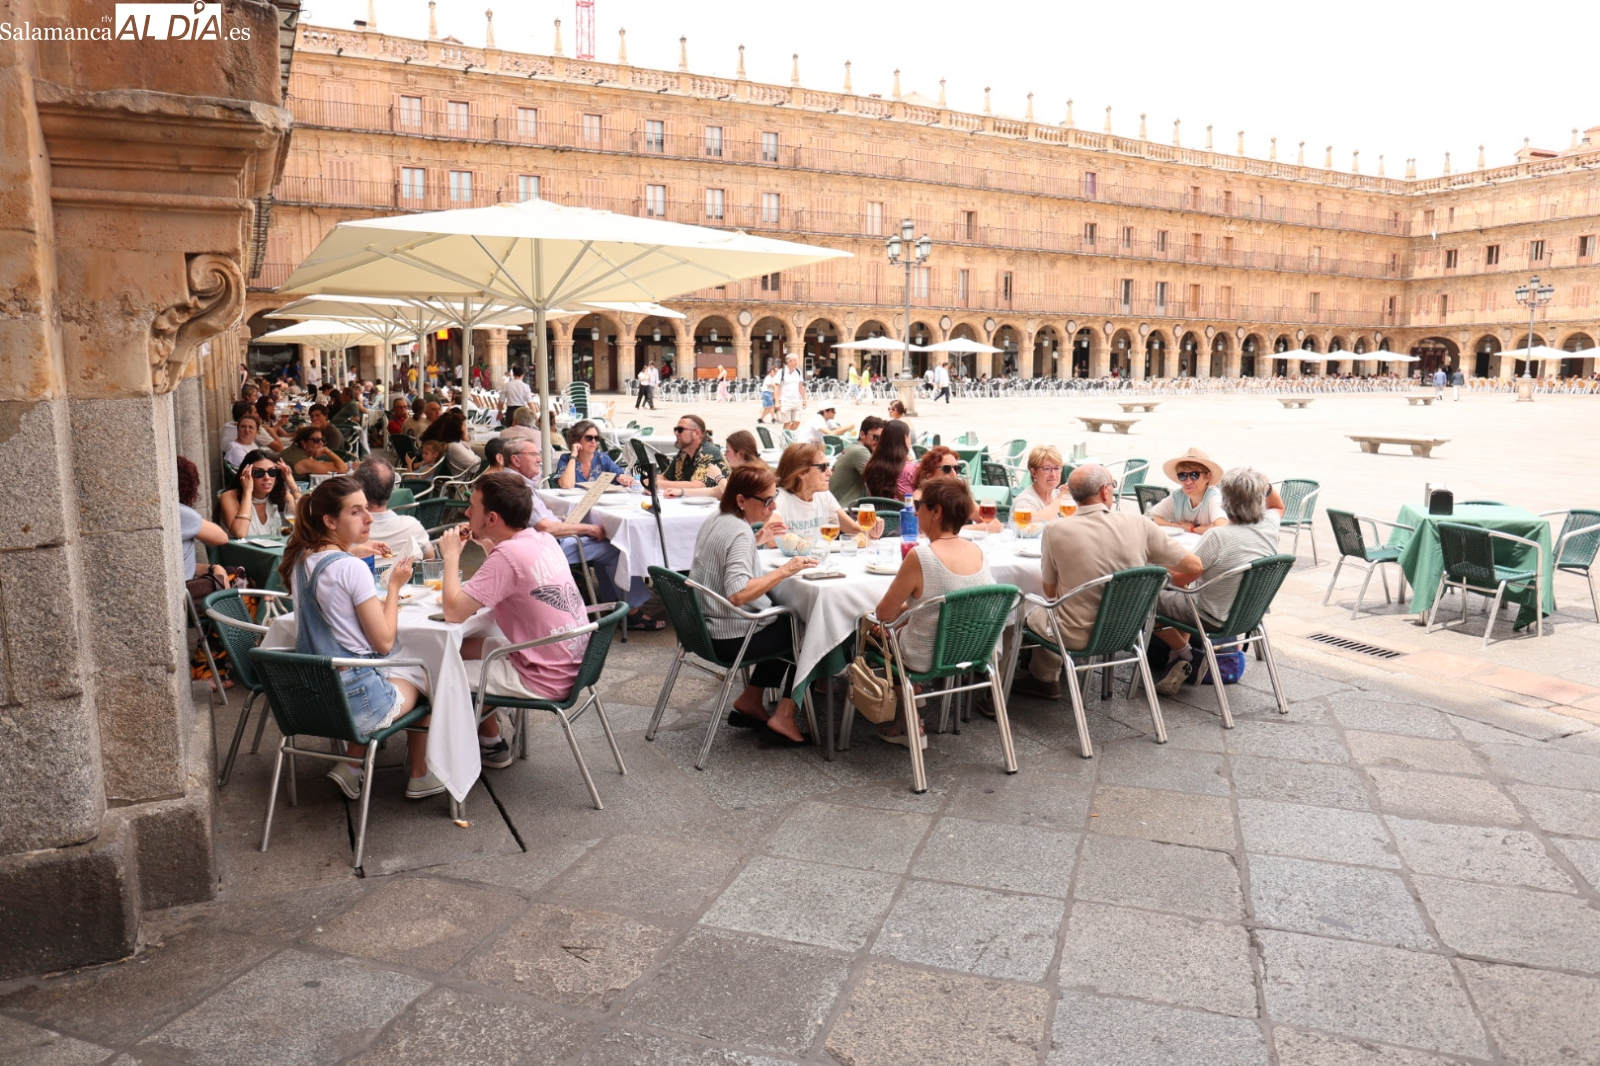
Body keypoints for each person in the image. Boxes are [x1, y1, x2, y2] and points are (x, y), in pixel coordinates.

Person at [278, 477, 437, 799]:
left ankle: (352, 766)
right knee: (428, 676)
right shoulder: (351, 569)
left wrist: (355, 549)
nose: (368, 518)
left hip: (310, 697)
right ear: (329, 521)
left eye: (367, 509)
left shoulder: (301, 560)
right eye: (356, 512)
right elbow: (384, 642)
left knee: (397, 669)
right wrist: (393, 586)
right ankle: (420, 775)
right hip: (355, 699)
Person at [438, 471, 591, 769]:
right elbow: (511, 569)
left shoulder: (507, 557)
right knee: (458, 648)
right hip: (571, 661)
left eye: (473, 507)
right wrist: (484, 543)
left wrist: (451, 556)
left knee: (438, 669)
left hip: (543, 675)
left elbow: (454, 612)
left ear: (492, 518)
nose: (467, 512)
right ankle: (489, 739)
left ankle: (442, 763)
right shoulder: (541, 539)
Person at [1012, 465, 1203, 701]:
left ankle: (1038, 680)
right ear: (1104, 492)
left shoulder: (1055, 530)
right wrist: (1158, 583)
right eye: (1112, 487)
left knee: (1028, 608)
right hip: (1129, 629)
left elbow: (1050, 592)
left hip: (1075, 634)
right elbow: (1195, 567)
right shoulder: (1139, 524)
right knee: (1051, 610)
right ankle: (1044, 675)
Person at [688, 464, 817, 745]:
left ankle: (751, 698)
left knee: (785, 620)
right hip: (727, 636)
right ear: (741, 500)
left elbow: (723, 563)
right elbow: (737, 594)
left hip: (701, 628)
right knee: (807, 627)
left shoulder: (717, 518)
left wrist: (758, 539)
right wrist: (787, 569)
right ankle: (784, 715)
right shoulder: (738, 531)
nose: (772, 507)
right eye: (767, 500)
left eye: (774, 499)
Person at [871, 477, 994, 747]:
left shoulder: (921, 556)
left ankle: (908, 715)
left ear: (936, 511)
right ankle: (909, 713)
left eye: (920, 505)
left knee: (871, 629)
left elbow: (883, 613)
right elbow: (942, 602)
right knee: (899, 629)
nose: (915, 511)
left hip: (924, 654)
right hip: (973, 650)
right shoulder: (978, 551)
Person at [503, 439, 663, 630]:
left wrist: (563, 520)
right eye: (534, 455)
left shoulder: (510, 480)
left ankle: (612, 605)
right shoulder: (520, 487)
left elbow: (539, 520)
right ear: (516, 460)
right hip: (546, 547)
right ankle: (632, 612)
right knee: (616, 547)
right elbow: (545, 527)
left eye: (539, 454)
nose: (539, 459)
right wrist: (588, 528)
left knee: (606, 545)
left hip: (531, 542)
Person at [1151, 467, 1283, 693]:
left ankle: (1187, 654)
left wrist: (1156, 568)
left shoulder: (1218, 536)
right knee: (1180, 598)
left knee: (1147, 597)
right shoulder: (1270, 526)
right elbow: (1278, 506)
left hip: (1211, 616)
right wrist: (1266, 486)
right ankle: (1176, 658)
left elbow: (1182, 579)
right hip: (1249, 614)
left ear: (1225, 500)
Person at [773, 444, 883, 542]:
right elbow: (771, 539)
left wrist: (870, 532)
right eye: (822, 467)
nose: (829, 472)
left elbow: (853, 529)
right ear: (801, 473)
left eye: (828, 466)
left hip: (819, 561)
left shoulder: (823, 495)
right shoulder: (780, 499)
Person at [353, 458, 431, 560]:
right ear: (392, 489)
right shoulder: (412, 526)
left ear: (358, 489)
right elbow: (430, 559)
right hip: (403, 575)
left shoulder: (345, 530)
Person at [911, 447, 1002, 532]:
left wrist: (961, 529)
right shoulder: (921, 495)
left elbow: (995, 524)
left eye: (957, 468)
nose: (954, 473)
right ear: (929, 474)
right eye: (947, 469)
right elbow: (922, 527)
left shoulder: (957, 496)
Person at [219, 450, 301, 538]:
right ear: (245, 475)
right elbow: (240, 533)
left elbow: (307, 525)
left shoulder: (281, 495)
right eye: (259, 473)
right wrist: (247, 492)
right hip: (242, 551)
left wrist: (292, 484)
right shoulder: (229, 497)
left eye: (272, 472)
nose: (267, 477)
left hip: (275, 550)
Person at [664, 430, 763, 500]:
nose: (725, 454)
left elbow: (733, 498)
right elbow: (716, 491)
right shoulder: (741, 470)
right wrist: (682, 491)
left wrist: (718, 477)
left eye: (728, 450)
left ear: (740, 453)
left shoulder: (752, 474)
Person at [1149, 447, 1228, 534]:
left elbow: (1222, 528)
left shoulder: (1214, 497)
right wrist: (1175, 526)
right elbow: (1153, 517)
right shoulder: (1177, 496)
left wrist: (1193, 528)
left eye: (1195, 475)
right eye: (1182, 475)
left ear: (1207, 477)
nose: (1188, 481)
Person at [176, 456, 231, 581]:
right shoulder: (180, 513)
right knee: (242, 577)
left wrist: (210, 568)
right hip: (188, 592)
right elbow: (221, 538)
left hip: (182, 582)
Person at [657, 414, 728, 490]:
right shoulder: (684, 453)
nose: (676, 433)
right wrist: (647, 480)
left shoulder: (709, 452)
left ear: (697, 433)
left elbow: (697, 486)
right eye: (676, 429)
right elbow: (665, 477)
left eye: (680, 430)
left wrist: (655, 484)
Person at [557, 420, 635, 488]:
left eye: (596, 438)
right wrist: (573, 456)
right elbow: (566, 485)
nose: (593, 441)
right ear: (577, 440)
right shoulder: (566, 459)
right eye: (589, 438)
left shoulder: (602, 458)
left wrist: (626, 479)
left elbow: (621, 476)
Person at [828, 416, 885, 508]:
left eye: (882, 439)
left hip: (840, 507)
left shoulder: (854, 447)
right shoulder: (860, 451)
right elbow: (879, 482)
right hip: (845, 510)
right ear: (862, 434)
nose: (879, 442)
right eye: (876, 437)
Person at [862, 418, 917, 501]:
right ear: (905, 438)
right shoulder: (912, 469)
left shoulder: (870, 465)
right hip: (902, 513)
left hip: (878, 512)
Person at [1012, 445, 1073, 519]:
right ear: (1034, 473)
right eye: (1047, 469)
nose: (1053, 474)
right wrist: (1061, 499)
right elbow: (1031, 523)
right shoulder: (1025, 501)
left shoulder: (1057, 494)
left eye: (1057, 468)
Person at [420, 409, 478, 477]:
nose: (465, 426)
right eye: (464, 425)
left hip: (457, 478)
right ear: (458, 429)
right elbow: (475, 466)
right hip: (462, 482)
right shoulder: (454, 446)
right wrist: (479, 458)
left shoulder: (452, 443)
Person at [281, 424, 350, 479]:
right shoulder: (305, 462)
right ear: (304, 443)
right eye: (316, 440)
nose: (321, 444)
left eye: (322, 439)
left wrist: (350, 465)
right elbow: (342, 468)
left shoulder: (293, 450)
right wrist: (326, 450)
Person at [776, 352, 806, 430]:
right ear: (789, 362)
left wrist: (804, 400)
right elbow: (777, 388)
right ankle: (786, 440)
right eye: (795, 360)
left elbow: (801, 387)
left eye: (797, 360)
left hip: (796, 401)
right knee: (787, 422)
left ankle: (790, 435)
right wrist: (777, 402)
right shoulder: (781, 372)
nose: (797, 362)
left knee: (797, 421)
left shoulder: (798, 372)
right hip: (785, 401)